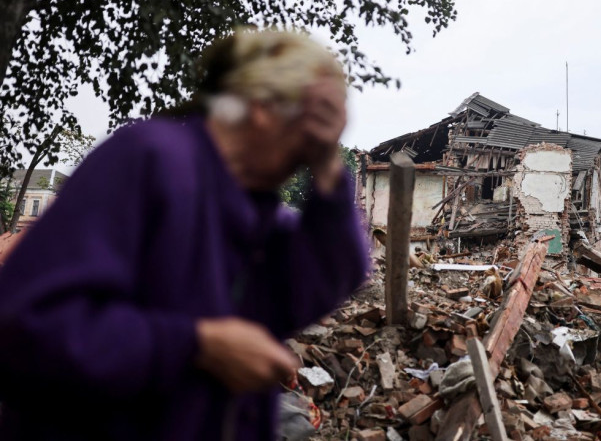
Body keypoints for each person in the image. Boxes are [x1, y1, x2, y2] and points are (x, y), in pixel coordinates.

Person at [0, 30, 369, 440]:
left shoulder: (257, 211)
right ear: (264, 107)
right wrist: (197, 346)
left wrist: (331, 174)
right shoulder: (151, 158)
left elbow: (319, 286)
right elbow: (26, 324)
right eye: (317, 120)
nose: (319, 142)